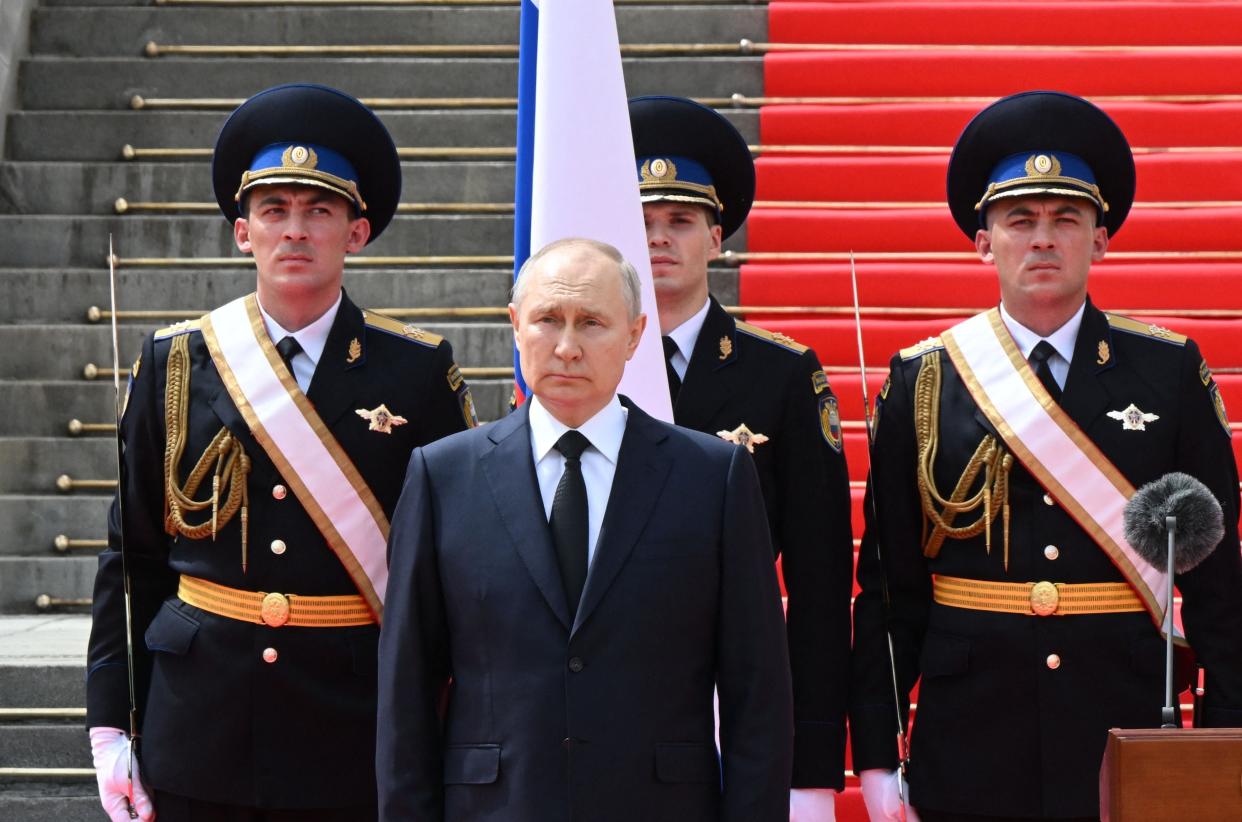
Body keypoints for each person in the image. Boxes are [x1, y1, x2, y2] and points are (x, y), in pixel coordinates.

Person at [85, 83, 477, 821]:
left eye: (319, 211)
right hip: (199, 725)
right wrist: (111, 726)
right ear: (243, 232)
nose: (294, 231)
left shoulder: (417, 372)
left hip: (352, 726)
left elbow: (452, 563)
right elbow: (130, 558)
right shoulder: (175, 363)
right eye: (274, 211)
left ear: (356, 233)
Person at [849, 90, 1242, 821]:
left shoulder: (1167, 371)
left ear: (1100, 239)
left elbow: (1219, 588)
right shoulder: (923, 380)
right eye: (1019, 221)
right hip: (968, 732)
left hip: (1120, 721)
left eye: (1067, 220)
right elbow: (889, 594)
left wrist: (1225, 739)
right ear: (982, 239)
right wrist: (876, 753)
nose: (1043, 240)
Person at [377, 237, 794, 821]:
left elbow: (759, 696)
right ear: (515, 326)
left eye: (592, 323)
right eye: (548, 320)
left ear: (634, 335)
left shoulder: (713, 477)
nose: (567, 347)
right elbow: (407, 692)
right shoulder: (443, 476)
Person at [629, 95, 854, 821]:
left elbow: (820, 585)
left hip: (738, 705)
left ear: (717, 237)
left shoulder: (779, 375)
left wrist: (814, 765)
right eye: (642, 222)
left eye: (680, 222)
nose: (658, 240)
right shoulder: (569, 366)